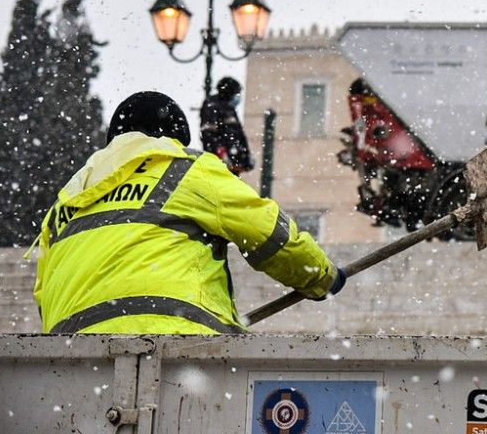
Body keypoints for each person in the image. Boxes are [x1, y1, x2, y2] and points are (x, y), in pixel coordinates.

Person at [28, 91, 345, 334]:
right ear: (171, 139)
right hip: (177, 344)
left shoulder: (63, 206)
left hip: (72, 358)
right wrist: (322, 278)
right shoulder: (184, 169)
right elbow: (270, 235)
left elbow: (44, 296)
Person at [201, 76, 254, 175]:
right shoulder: (212, 105)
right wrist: (222, 153)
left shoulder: (230, 109)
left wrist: (247, 155)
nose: (238, 96)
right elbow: (208, 134)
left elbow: (240, 135)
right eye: (236, 93)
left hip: (234, 162)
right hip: (219, 163)